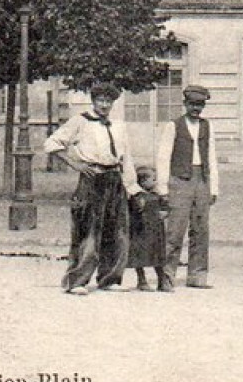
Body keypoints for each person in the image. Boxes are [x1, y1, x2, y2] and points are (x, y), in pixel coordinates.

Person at [44, 82, 141, 295]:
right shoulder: (80, 122)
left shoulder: (118, 125)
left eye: (109, 101)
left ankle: (110, 278)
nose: (104, 105)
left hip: (115, 178)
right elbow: (52, 144)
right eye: (101, 100)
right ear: (93, 101)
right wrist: (76, 164)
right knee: (88, 230)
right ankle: (77, 280)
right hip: (92, 179)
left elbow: (126, 158)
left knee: (117, 230)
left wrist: (132, 186)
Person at [154, 84, 218, 291]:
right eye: (192, 104)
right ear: (185, 104)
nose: (196, 109)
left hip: (202, 180)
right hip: (179, 180)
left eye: (200, 105)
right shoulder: (173, 126)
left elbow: (212, 157)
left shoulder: (207, 126)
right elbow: (163, 157)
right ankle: (167, 276)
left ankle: (197, 275)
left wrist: (214, 187)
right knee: (175, 231)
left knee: (201, 230)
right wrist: (163, 188)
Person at [127, 166, 167, 292]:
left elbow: (165, 207)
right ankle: (141, 280)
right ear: (143, 182)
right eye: (153, 179)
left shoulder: (157, 194)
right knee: (140, 257)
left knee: (158, 256)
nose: (155, 182)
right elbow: (132, 211)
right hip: (141, 231)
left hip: (156, 232)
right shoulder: (137, 196)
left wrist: (164, 212)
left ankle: (162, 281)